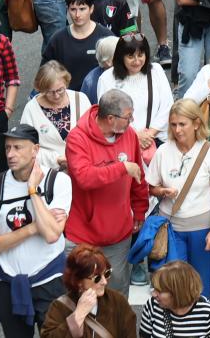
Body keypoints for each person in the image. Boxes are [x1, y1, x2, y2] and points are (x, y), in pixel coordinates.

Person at [0, 123, 70, 337]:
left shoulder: (58, 181)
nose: (10, 154)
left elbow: (50, 234)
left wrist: (32, 190)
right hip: (8, 281)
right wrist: (32, 229)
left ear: (35, 150)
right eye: (7, 148)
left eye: (18, 147)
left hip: (49, 279)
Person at [63, 89, 149, 293]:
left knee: (117, 293)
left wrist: (139, 210)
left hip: (118, 235)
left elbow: (138, 177)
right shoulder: (78, 138)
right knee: (81, 292)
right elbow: (84, 177)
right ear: (110, 118)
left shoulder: (129, 135)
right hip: (82, 235)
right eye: (128, 116)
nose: (132, 120)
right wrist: (121, 168)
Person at [145, 99, 210, 288]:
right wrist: (162, 191)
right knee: (174, 287)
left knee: (201, 286)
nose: (177, 130)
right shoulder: (163, 151)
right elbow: (151, 187)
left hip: (202, 229)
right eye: (173, 124)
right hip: (172, 229)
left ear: (196, 123)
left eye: (182, 124)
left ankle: (201, 319)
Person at [40, 244, 138, 338]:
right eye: (97, 278)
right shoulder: (60, 307)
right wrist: (78, 314)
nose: (104, 282)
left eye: (107, 274)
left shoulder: (118, 302)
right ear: (78, 281)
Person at [141, 261, 210, 337]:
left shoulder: (209, 313)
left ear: (178, 292)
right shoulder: (152, 306)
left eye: (159, 291)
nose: (153, 294)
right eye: (154, 289)